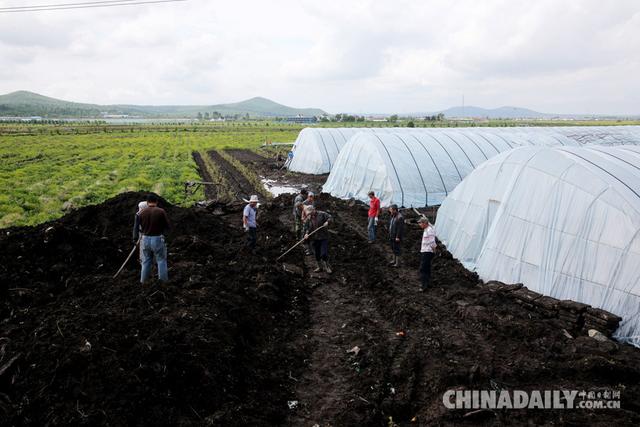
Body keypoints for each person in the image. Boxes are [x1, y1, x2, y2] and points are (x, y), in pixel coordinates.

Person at [136, 194, 171, 283]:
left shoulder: (141, 213)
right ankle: (163, 282)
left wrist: (134, 238)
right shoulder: (161, 211)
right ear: (156, 202)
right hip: (157, 239)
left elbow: (136, 227)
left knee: (146, 261)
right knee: (161, 260)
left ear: (147, 202)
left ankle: (143, 282)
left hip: (145, 239)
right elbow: (168, 226)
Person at [303, 205, 332, 273]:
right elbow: (306, 227)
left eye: (310, 212)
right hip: (314, 238)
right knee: (316, 254)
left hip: (323, 237)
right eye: (308, 213)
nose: (309, 214)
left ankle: (327, 267)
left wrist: (327, 222)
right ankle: (319, 267)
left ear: (314, 210)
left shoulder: (322, 214)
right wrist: (306, 233)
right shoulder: (309, 218)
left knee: (324, 253)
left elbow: (330, 217)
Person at [418, 217, 437, 291]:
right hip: (425, 251)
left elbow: (432, 242)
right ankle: (427, 283)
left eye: (420, 223)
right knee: (427, 268)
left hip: (427, 252)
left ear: (425, 223)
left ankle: (423, 286)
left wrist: (434, 250)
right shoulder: (426, 230)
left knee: (423, 268)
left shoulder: (429, 230)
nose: (419, 225)